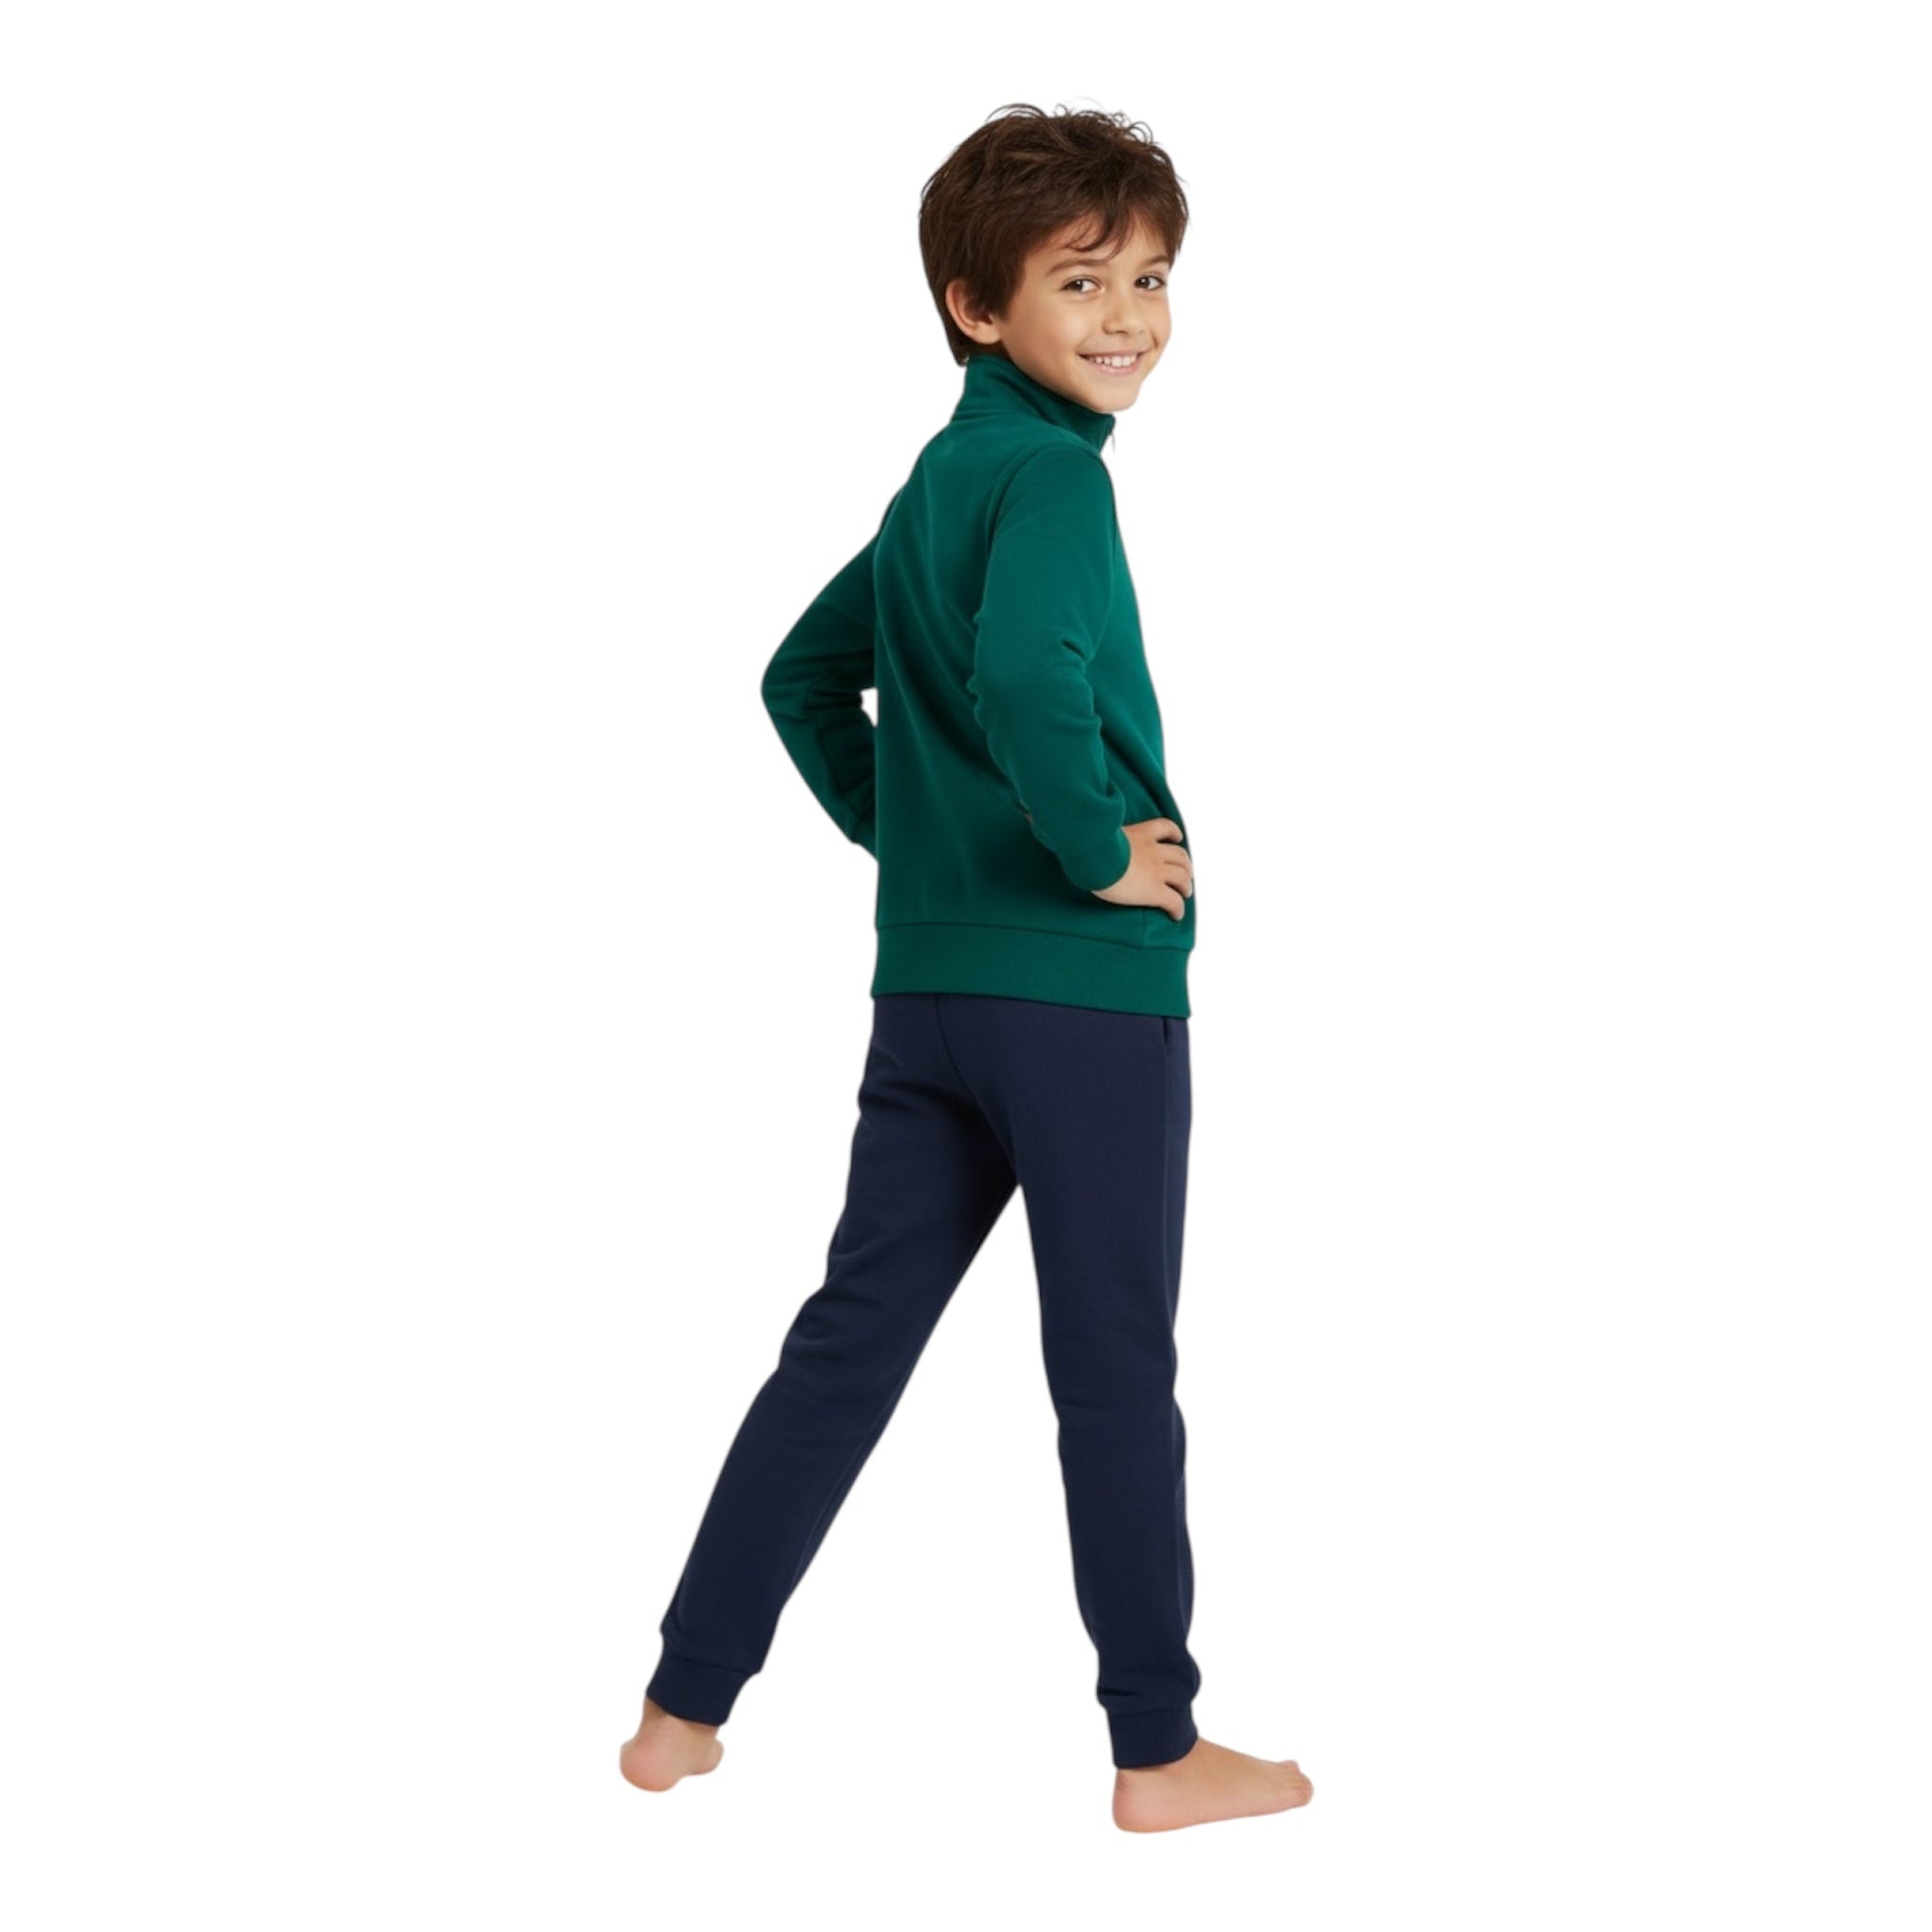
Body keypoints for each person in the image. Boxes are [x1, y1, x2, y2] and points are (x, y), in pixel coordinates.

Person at [620, 103, 1313, 1834]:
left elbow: (799, 678)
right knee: (1113, 1369)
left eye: (1150, 276)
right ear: (974, 306)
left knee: (845, 1345)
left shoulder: (938, 484)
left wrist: (921, 851)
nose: (1128, 315)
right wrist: (1090, 852)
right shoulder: (1055, 480)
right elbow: (1018, 680)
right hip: (1082, 998)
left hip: (930, 998)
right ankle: (1156, 1747)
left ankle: (679, 1709)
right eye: (1081, 280)